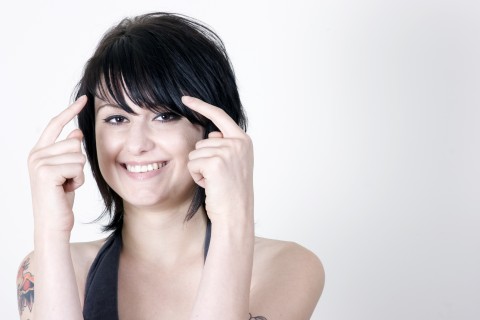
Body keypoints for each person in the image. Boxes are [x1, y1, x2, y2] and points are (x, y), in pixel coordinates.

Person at [17, 12, 324, 320]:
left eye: (164, 116)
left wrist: (234, 217)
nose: (137, 144)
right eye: (117, 118)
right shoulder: (50, 266)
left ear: (213, 129)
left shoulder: (287, 266)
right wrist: (50, 230)